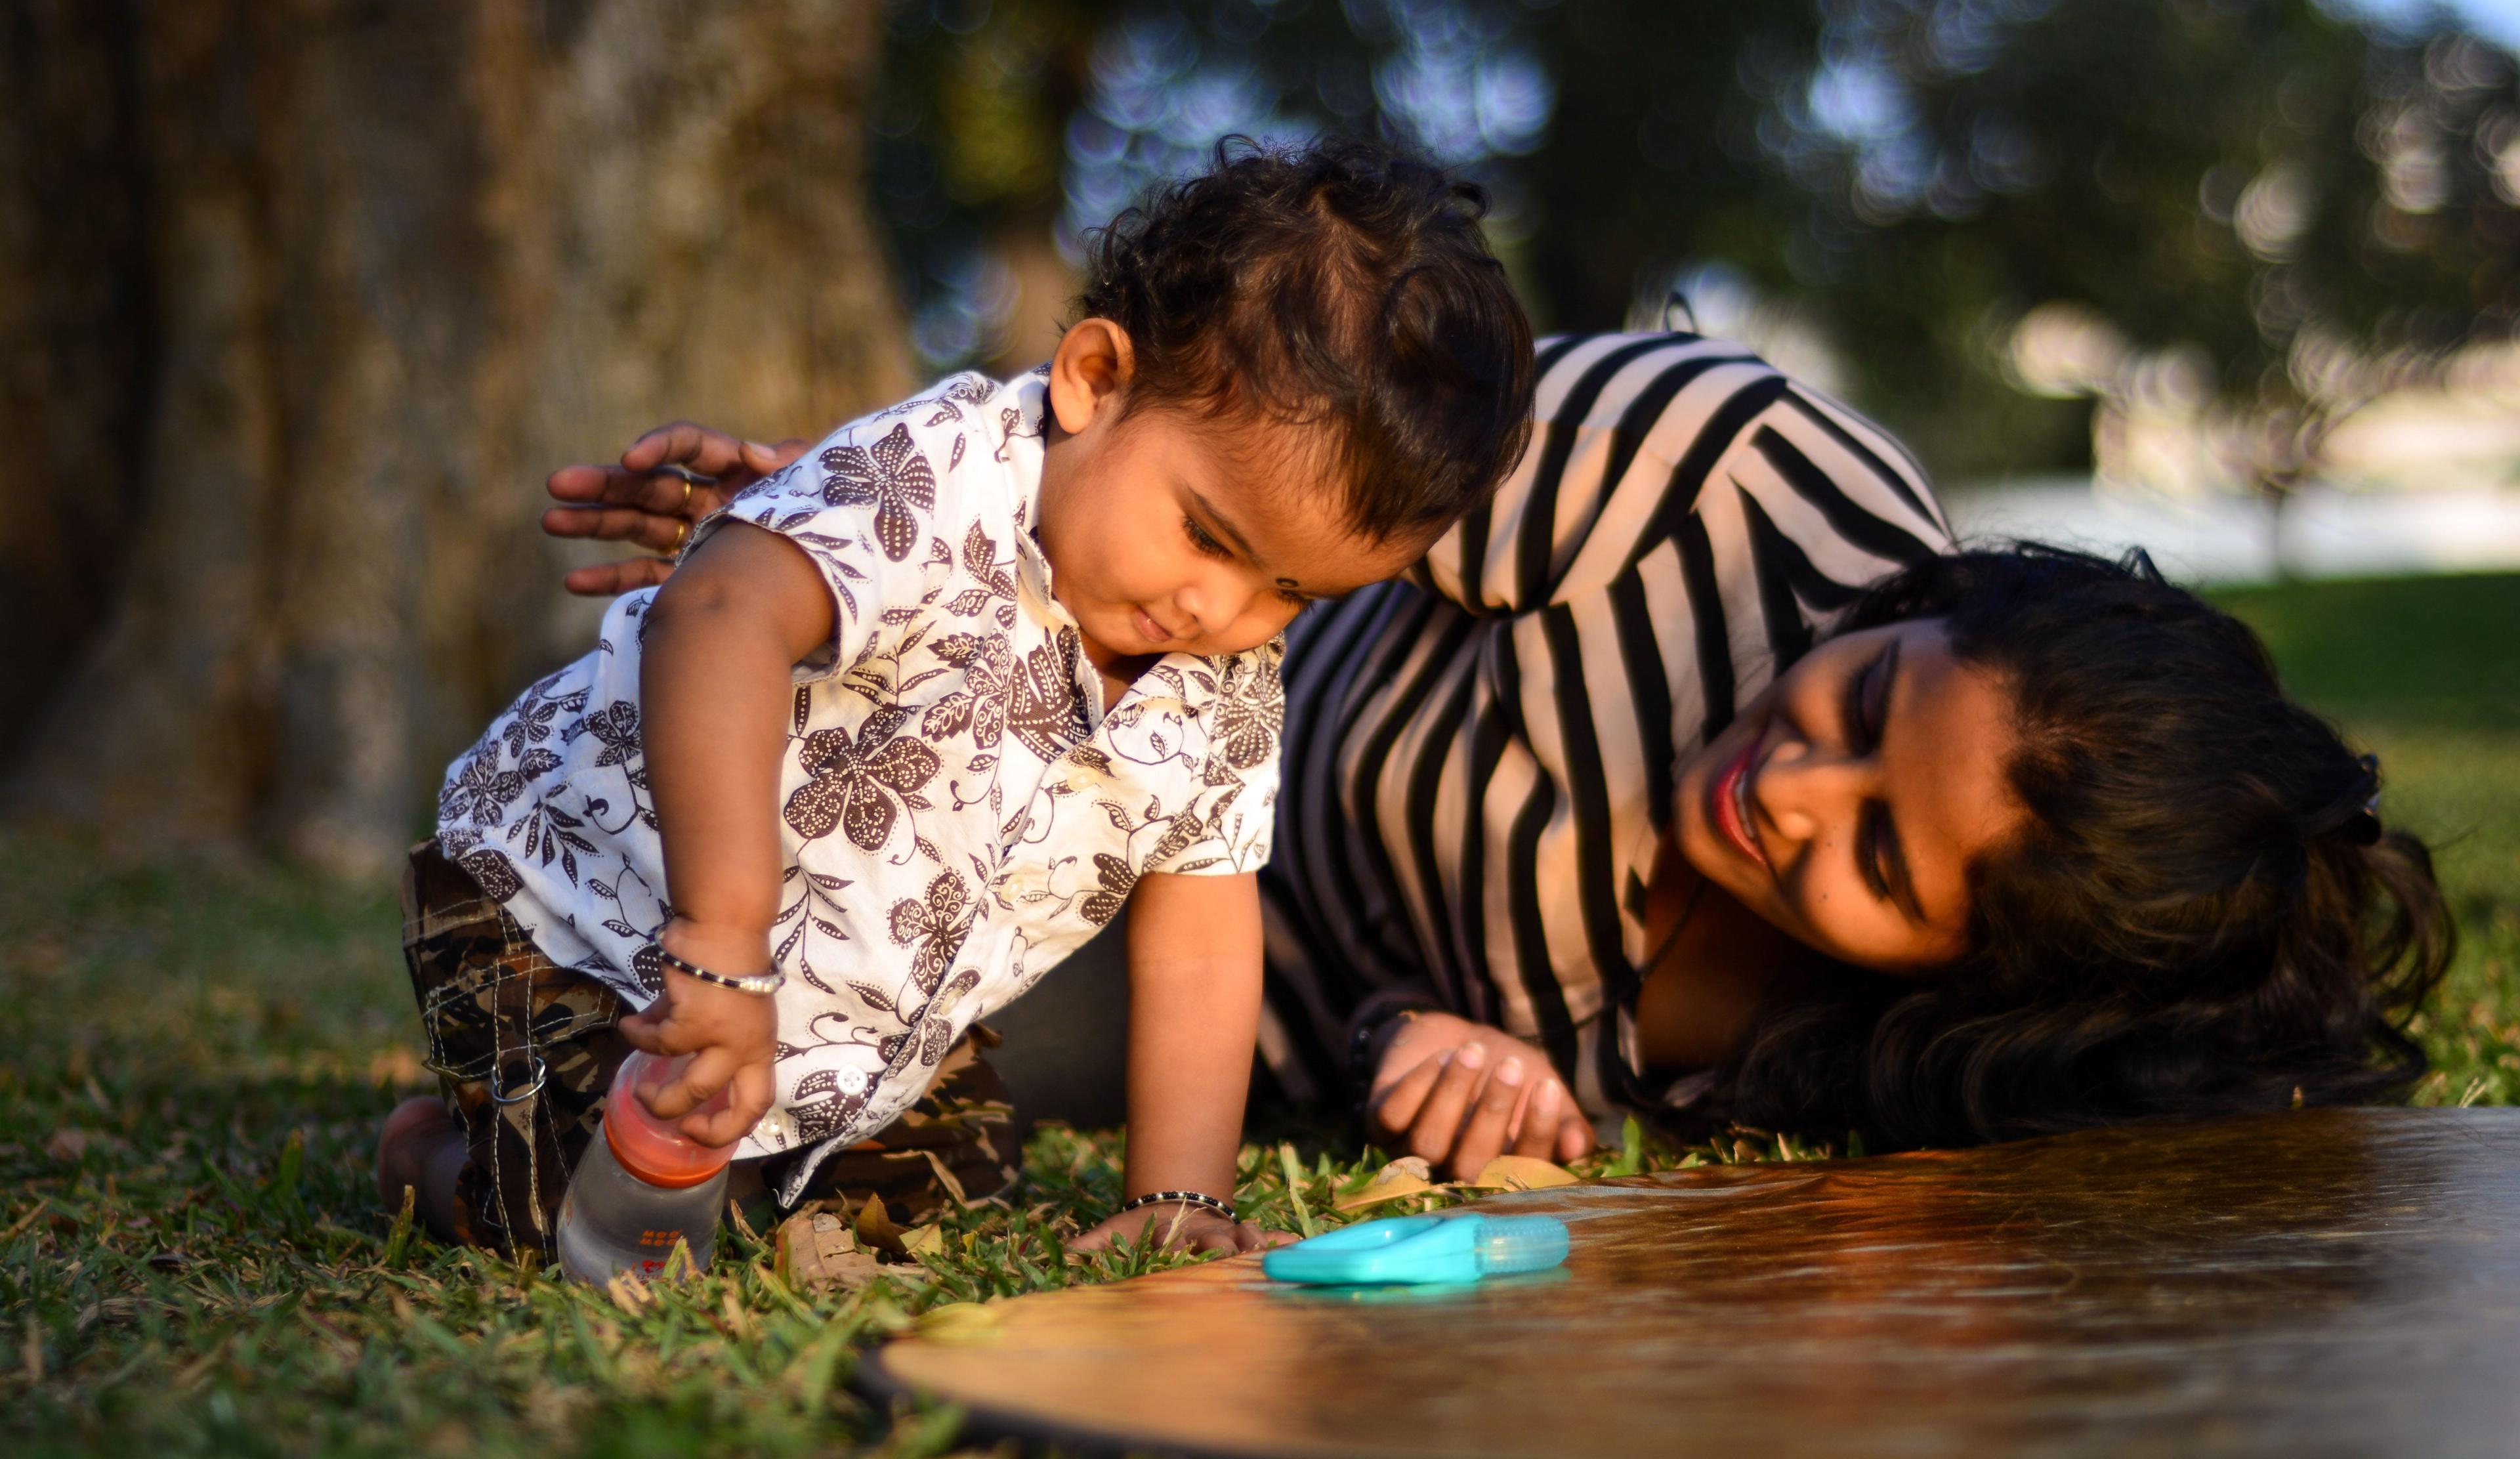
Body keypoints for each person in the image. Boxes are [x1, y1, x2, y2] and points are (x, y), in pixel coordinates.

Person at [558, 326, 2454, 1183]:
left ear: (1967, 975)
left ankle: (514, 1143)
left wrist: (1437, 1060)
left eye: (1880, 866)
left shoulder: (1873, 1074)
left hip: (1235, 996)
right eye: (1865, 706)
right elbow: (1290, 485)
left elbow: (1454, 1053)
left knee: (821, 1123)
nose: (1786, 795)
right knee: (736, 894)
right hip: (1118, 775)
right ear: (1921, 598)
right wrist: (903, 541)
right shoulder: (1716, 482)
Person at [374, 138, 1537, 1261]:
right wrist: (720, 954)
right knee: (576, 1219)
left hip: (840, 1024)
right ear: (1096, 380)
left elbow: (1201, 933)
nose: (1214, 609)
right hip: (574, 909)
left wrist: (1181, 1191)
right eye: (1207, 535)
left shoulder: (1226, 684)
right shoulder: (938, 474)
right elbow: (715, 618)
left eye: (1289, 591)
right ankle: (433, 1161)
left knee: (945, 1179)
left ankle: (723, 1164)